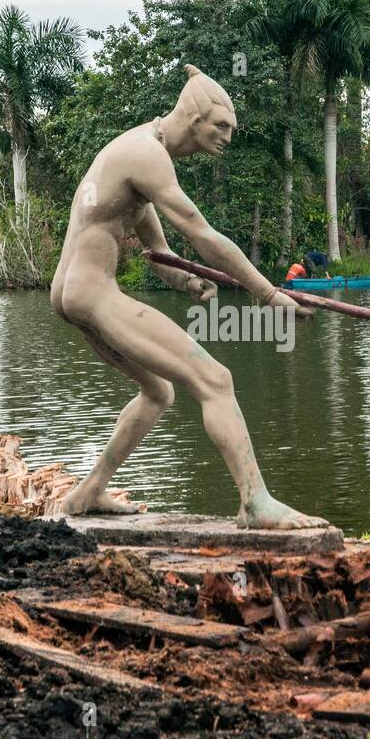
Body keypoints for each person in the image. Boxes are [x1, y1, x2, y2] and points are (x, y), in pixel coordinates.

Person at [50, 65, 327, 529]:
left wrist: (187, 282)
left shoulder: (140, 149)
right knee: (215, 380)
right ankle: (254, 503)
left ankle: (88, 492)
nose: (228, 137)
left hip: (74, 294)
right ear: (194, 116)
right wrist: (267, 293)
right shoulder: (147, 155)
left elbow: (160, 254)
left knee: (158, 392)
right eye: (221, 126)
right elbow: (201, 233)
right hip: (93, 292)